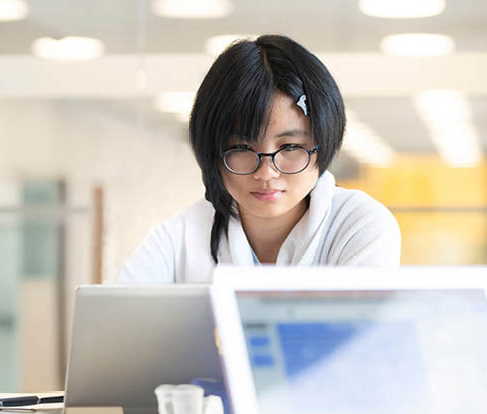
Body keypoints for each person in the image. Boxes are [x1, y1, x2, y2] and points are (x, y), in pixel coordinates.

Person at [119, 35, 400, 283]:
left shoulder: (359, 225)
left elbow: (358, 340)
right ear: (212, 150)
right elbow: (113, 327)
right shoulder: (180, 235)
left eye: (290, 147)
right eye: (241, 147)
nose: (266, 173)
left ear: (322, 142)